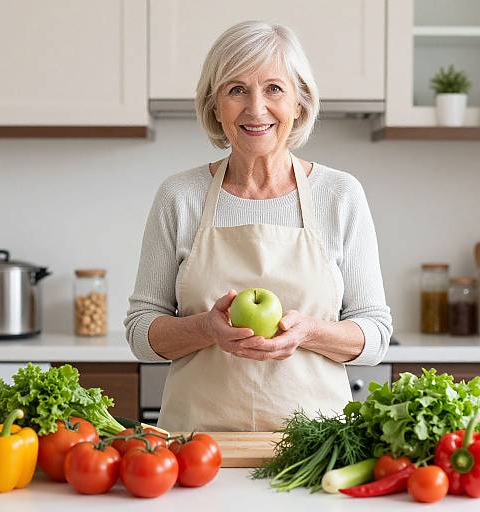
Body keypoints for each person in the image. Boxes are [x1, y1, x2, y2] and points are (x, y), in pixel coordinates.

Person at [125, 20, 392, 432]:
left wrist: (309, 333)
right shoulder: (179, 195)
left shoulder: (339, 195)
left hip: (316, 449)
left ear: (299, 102)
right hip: (198, 451)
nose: (255, 108)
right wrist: (205, 329)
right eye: (236, 89)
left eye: (274, 89)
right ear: (215, 105)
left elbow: (375, 334)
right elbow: (142, 333)